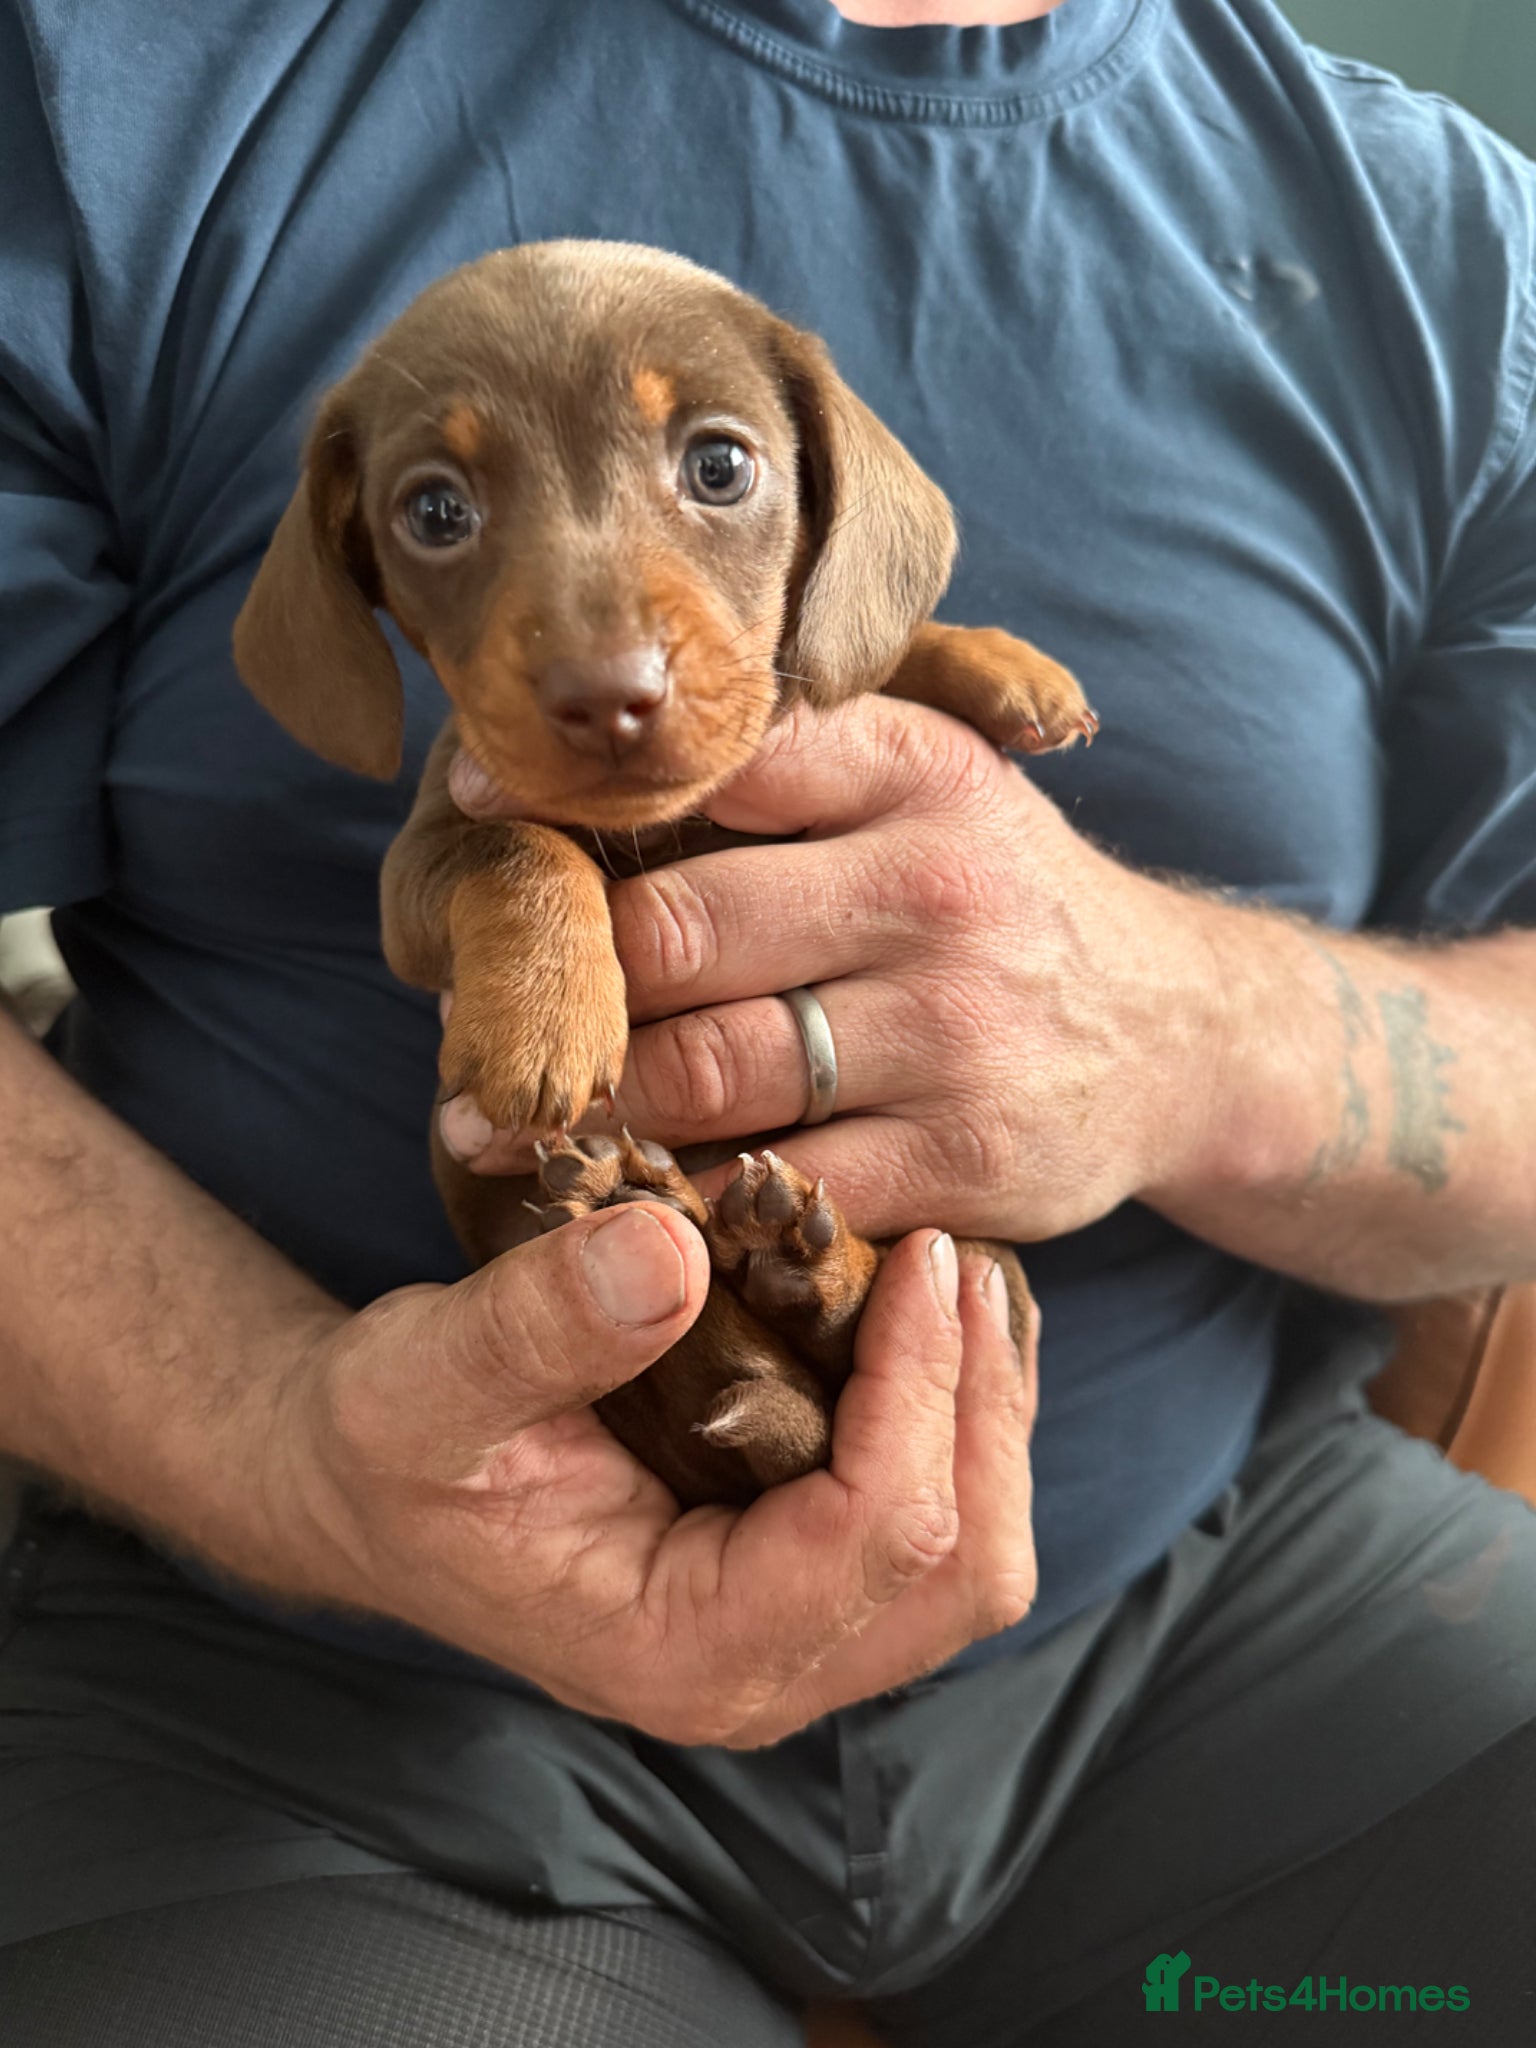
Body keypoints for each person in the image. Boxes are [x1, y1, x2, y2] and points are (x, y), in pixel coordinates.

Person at [1, 0, 1533, 2039]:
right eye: (443, 523)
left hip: (1215, 1612)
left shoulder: (1447, 238)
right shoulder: (108, 91)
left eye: (712, 467)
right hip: (320, 1694)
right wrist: (283, 1447)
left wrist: (1175, 1022)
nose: (609, 649)